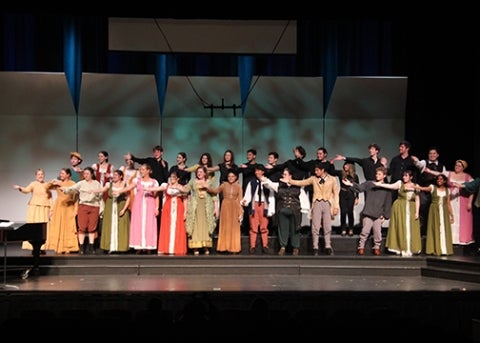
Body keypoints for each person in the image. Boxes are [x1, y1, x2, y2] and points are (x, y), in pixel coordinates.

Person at [281, 162, 339, 255]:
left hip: (327, 203)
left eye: (317, 170)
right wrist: (290, 181)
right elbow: (302, 182)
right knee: (315, 226)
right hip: (317, 203)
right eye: (315, 170)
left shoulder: (332, 179)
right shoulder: (313, 179)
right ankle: (315, 247)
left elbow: (336, 193)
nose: (315, 172)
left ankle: (328, 246)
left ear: (322, 170)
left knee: (327, 226)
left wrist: (336, 206)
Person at [342, 166, 391, 255]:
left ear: (384, 175)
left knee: (377, 233)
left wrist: (385, 215)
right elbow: (360, 188)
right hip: (368, 212)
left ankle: (376, 247)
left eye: (379, 174)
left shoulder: (386, 188)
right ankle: (361, 246)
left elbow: (387, 203)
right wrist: (351, 184)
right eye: (376, 174)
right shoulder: (370, 184)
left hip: (378, 214)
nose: (377, 175)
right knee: (365, 231)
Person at [425, 159, 474, 247]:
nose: (457, 167)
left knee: (462, 221)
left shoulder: (467, 177)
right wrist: (428, 171)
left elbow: (472, 189)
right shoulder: (449, 174)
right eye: (456, 165)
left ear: (463, 168)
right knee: (450, 218)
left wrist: (470, 202)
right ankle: (450, 239)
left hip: (462, 200)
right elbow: (438, 174)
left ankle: (461, 240)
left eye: (459, 166)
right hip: (450, 200)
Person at [262, 167, 310, 256]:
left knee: (295, 229)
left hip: (294, 211)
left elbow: (303, 198)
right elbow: (269, 184)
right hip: (282, 211)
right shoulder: (279, 185)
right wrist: (263, 178)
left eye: (285, 174)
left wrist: (304, 209)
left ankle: (295, 248)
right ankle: (282, 247)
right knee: (283, 229)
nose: (283, 176)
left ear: (290, 176)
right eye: (283, 174)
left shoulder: (297, 186)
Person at [373, 169, 422, 257]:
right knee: (401, 227)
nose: (404, 177)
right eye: (403, 175)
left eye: (406, 176)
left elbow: (417, 199)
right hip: (400, 208)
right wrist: (380, 184)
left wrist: (417, 212)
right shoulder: (400, 183)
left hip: (411, 208)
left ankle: (410, 248)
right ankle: (400, 247)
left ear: (411, 177)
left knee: (411, 228)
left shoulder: (416, 186)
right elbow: (391, 186)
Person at [115, 163, 159, 254]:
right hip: (138, 205)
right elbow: (129, 187)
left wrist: (157, 208)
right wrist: (120, 191)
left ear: (148, 171)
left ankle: (148, 247)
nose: (141, 171)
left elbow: (156, 196)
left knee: (149, 225)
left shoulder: (154, 182)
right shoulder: (137, 180)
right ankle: (138, 246)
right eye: (140, 170)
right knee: (138, 224)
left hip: (150, 205)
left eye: (143, 169)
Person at [59, 167, 103, 255]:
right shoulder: (81, 183)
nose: (85, 175)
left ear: (91, 174)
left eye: (87, 174)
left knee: (92, 227)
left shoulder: (97, 183)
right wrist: (64, 189)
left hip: (94, 206)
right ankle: (82, 247)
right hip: (83, 206)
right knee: (82, 227)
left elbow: (100, 195)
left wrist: (101, 208)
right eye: (84, 174)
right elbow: (72, 189)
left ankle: (91, 246)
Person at [148, 170, 188, 256]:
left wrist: (185, 212)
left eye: (174, 177)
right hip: (168, 207)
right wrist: (147, 188)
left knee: (178, 226)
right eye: (171, 177)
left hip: (178, 207)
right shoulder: (166, 186)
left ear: (177, 178)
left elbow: (185, 199)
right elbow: (157, 188)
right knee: (167, 226)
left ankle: (177, 248)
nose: (172, 179)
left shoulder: (181, 187)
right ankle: (166, 248)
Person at [13, 168, 53, 252]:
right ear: (36, 176)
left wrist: (51, 210)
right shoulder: (33, 184)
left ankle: (42, 247)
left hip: (44, 208)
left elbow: (50, 198)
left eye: (42, 174)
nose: (40, 176)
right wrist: (20, 188)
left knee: (43, 228)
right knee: (33, 227)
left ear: (44, 175)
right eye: (38, 174)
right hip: (34, 208)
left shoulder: (47, 185)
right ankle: (32, 246)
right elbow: (26, 190)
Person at [93, 169, 131, 254]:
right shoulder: (109, 184)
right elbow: (102, 190)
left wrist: (124, 209)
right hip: (110, 208)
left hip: (121, 206)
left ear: (121, 176)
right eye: (113, 175)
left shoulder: (125, 184)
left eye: (116, 175)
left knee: (121, 227)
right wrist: (93, 191)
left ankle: (121, 248)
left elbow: (128, 198)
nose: (114, 177)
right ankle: (111, 247)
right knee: (110, 226)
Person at [415, 174, 454, 256]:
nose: (439, 180)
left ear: (444, 181)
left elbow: (448, 203)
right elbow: (425, 189)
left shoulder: (447, 191)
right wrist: (418, 187)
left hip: (444, 211)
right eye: (438, 179)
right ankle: (435, 248)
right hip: (434, 211)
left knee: (444, 229)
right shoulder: (433, 187)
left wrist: (452, 215)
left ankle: (444, 249)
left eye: (441, 179)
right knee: (435, 228)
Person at [183, 166, 218, 255]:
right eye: (198, 172)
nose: (199, 173)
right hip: (196, 207)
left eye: (201, 172)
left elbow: (214, 195)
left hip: (207, 206)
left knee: (206, 225)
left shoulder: (209, 182)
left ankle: (206, 246)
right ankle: (195, 247)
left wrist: (216, 208)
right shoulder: (193, 181)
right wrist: (176, 186)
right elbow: (185, 189)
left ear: (205, 173)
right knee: (196, 225)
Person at [411, 147, 446, 236]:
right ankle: (421, 232)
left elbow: (444, 176)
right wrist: (416, 161)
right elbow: (419, 164)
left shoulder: (442, 166)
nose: (432, 155)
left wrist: (431, 171)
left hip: (435, 191)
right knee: (423, 209)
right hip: (424, 190)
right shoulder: (424, 162)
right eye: (430, 153)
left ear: (437, 155)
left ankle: (433, 232)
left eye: (434, 153)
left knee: (434, 210)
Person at [206, 170, 243, 254]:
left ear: (236, 177)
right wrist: (207, 187)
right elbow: (215, 191)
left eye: (232, 176)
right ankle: (223, 247)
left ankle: (234, 247)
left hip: (235, 206)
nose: (231, 178)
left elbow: (240, 199)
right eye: (229, 176)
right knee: (225, 225)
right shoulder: (224, 185)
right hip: (225, 205)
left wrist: (241, 212)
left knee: (234, 227)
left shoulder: (238, 187)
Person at [241, 164, 275, 254]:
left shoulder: (267, 182)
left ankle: (265, 245)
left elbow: (272, 192)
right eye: (256, 171)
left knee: (264, 227)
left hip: (264, 205)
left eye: (259, 171)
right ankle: (252, 246)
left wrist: (265, 181)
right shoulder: (252, 182)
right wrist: (245, 201)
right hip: (254, 205)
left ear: (263, 172)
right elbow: (248, 194)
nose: (257, 172)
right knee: (253, 226)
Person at [47, 168, 79, 254]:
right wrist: (52, 182)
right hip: (59, 205)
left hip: (69, 206)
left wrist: (76, 209)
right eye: (60, 173)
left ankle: (69, 247)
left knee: (69, 226)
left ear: (68, 175)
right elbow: (47, 187)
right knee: (59, 225)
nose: (61, 175)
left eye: (63, 173)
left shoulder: (73, 184)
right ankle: (59, 246)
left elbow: (75, 197)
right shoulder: (57, 183)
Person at [331, 162, 359, 236]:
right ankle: (343, 229)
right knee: (343, 212)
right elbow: (332, 172)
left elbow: (357, 187)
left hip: (351, 194)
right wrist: (331, 163)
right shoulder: (341, 173)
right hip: (342, 194)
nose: (345, 166)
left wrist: (357, 197)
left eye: (346, 165)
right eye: (344, 165)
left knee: (350, 212)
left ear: (350, 166)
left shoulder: (355, 176)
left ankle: (351, 229)